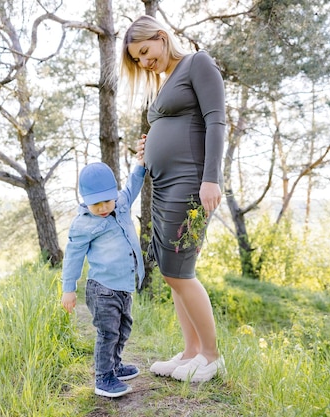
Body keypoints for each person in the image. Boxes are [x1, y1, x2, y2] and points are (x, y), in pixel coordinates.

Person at [120, 15, 226, 383]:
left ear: (162, 38)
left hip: (191, 182)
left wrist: (211, 178)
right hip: (164, 185)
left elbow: (216, 121)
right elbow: (177, 124)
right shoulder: (165, 83)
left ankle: (211, 357)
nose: (144, 62)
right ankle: (190, 353)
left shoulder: (198, 63)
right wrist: (150, 144)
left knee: (179, 271)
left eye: (146, 51)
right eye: (137, 59)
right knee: (171, 272)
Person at [61, 157, 146, 398]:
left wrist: (140, 165)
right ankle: (103, 377)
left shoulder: (120, 204)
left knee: (123, 329)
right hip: (102, 290)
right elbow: (73, 257)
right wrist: (69, 288)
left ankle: (115, 366)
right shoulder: (83, 225)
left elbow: (132, 186)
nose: (102, 208)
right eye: (95, 204)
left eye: (107, 201)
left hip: (123, 287)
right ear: (85, 201)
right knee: (108, 333)